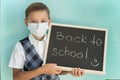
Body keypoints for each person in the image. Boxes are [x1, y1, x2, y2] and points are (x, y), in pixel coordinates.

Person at [9, 2, 84, 80]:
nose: (38, 25)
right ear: (26, 22)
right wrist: (40, 70)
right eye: (34, 21)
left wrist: (70, 71)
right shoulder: (20, 46)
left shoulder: (57, 42)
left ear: (49, 22)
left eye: (43, 21)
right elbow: (16, 77)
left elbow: (59, 70)